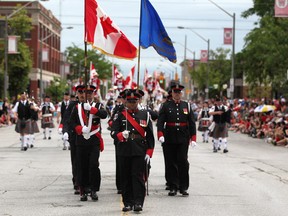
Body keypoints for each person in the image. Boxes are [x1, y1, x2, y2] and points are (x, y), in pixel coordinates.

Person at [110, 89, 155, 212]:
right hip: (124, 149)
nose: (132, 103)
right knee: (125, 177)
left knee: (138, 177)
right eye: (129, 101)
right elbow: (113, 132)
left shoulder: (145, 115)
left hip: (139, 149)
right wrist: (120, 135)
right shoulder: (120, 115)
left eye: (134, 101)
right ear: (125, 102)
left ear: (138, 101)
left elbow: (150, 135)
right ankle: (128, 202)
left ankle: (138, 202)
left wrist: (149, 151)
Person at [157, 84, 197, 197]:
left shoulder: (187, 106)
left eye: (179, 92)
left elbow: (192, 122)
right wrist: (160, 134)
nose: (177, 94)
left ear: (181, 93)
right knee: (171, 162)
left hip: (183, 136)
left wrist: (193, 138)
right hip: (169, 136)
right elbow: (160, 121)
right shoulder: (165, 105)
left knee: (183, 161)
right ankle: (173, 186)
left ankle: (183, 187)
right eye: (175, 92)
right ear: (172, 93)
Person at [70, 85, 107, 201]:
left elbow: (104, 114)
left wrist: (92, 110)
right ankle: (83, 190)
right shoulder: (77, 108)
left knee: (93, 165)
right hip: (81, 140)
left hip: (94, 140)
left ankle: (93, 189)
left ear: (93, 94)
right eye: (86, 93)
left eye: (91, 93)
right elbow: (71, 122)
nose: (88, 95)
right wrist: (80, 129)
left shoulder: (97, 105)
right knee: (81, 166)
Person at [62, 94, 80, 194]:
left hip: (89, 137)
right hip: (75, 136)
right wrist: (65, 131)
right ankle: (77, 182)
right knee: (76, 160)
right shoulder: (73, 105)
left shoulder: (92, 105)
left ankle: (88, 184)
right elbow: (66, 119)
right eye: (80, 92)